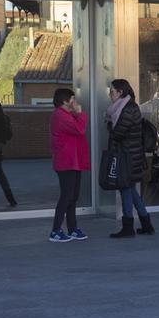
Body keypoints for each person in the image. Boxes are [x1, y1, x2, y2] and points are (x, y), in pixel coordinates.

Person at [105, 78, 154, 237]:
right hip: (128, 155)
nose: (110, 94)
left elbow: (119, 134)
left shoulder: (128, 109)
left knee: (126, 188)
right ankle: (146, 224)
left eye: (112, 91)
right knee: (130, 189)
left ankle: (128, 227)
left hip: (128, 156)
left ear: (120, 92)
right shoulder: (124, 107)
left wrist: (110, 126)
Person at [49, 88, 89, 242]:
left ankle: (72, 229)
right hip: (66, 162)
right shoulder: (60, 115)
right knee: (66, 197)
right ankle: (55, 231)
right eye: (72, 99)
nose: (75, 102)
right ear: (65, 101)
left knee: (73, 197)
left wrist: (77, 114)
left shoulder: (66, 115)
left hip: (74, 161)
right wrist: (80, 113)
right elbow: (80, 129)